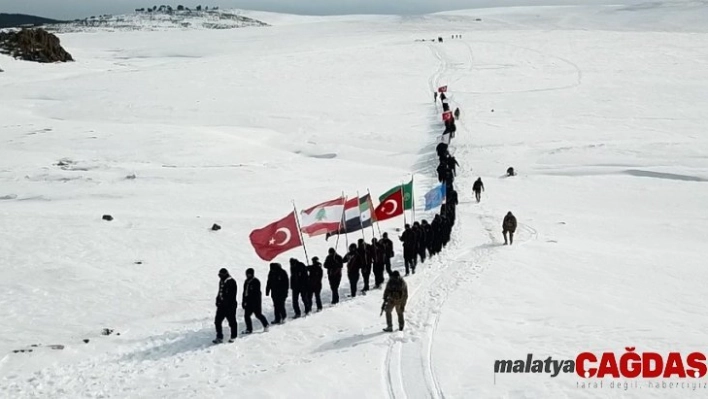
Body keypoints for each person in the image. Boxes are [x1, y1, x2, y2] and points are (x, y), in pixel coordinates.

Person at [213, 268, 238, 343]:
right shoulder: (221, 281)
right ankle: (219, 336)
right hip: (221, 306)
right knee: (217, 321)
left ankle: (234, 336)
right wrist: (217, 300)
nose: (220, 277)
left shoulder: (231, 282)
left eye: (221, 275)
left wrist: (226, 303)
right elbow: (220, 291)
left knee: (232, 321)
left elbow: (231, 295)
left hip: (230, 306)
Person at [242, 268, 269, 334]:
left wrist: (255, 302)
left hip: (255, 302)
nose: (248, 275)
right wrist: (244, 301)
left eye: (249, 274)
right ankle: (249, 329)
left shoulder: (256, 281)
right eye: (247, 274)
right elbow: (244, 292)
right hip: (248, 302)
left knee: (258, 314)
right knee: (246, 316)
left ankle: (266, 325)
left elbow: (257, 293)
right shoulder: (246, 282)